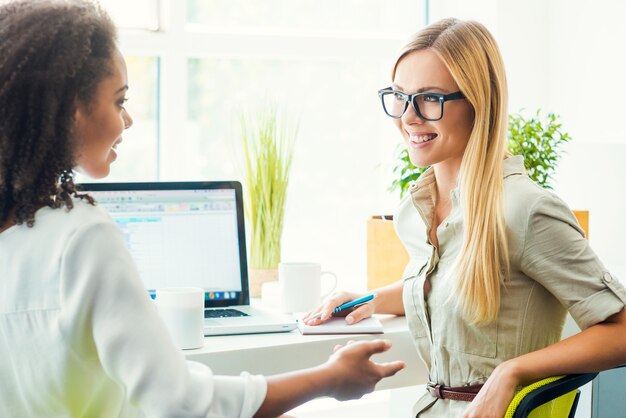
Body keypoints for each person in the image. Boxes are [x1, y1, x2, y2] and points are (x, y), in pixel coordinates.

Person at [0, 1, 405, 417]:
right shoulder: (81, 235)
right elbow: (182, 404)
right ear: (72, 109)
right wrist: (328, 379)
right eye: (119, 102)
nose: (128, 121)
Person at [305, 17, 626, 417]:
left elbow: (622, 330)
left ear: (477, 103)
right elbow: (451, 285)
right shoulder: (417, 209)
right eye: (399, 96)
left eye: (429, 99)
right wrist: (371, 299)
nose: (408, 117)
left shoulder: (526, 209)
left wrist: (512, 372)